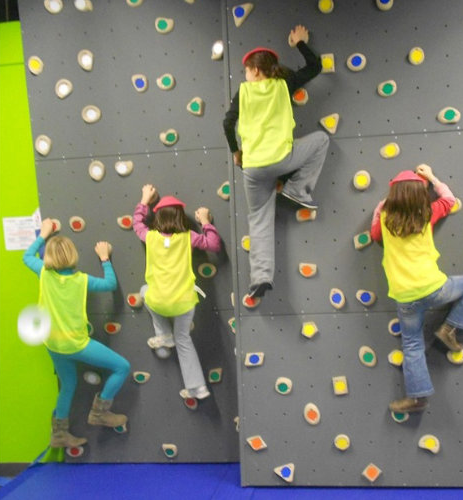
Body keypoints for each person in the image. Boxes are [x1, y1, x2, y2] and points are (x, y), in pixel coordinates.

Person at [223, 24, 329, 299]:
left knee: (258, 220)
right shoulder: (285, 84)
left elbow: (227, 122)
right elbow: (315, 67)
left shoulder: (243, 93)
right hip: (282, 159)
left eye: (246, 69)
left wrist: (236, 151)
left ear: (255, 70)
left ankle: (260, 278)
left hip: (254, 167)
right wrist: (300, 44)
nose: (245, 74)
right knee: (320, 140)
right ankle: (296, 190)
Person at [371, 164, 463, 412]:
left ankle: (418, 397)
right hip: (434, 287)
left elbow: (374, 236)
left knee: (412, 343)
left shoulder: (385, 219)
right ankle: (451, 329)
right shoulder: (426, 213)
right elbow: (449, 199)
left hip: (404, 296)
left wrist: (380, 207)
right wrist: (433, 177)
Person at [23, 218, 130, 448]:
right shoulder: (82, 281)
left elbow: (26, 257)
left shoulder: (44, 273)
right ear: (73, 255)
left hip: (52, 344)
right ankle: (100, 412)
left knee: (68, 384)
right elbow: (110, 284)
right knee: (122, 367)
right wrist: (105, 258)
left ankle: (59, 434)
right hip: (77, 345)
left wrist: (43, 234)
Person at [133, 185, 221, 401]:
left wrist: (144, 200)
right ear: (181, 216)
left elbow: (137, 224)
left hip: (159, 300)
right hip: (184, 302)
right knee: (184, 340)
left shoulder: (150, 237)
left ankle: (163, 334)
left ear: (159, 217)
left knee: (145, 291)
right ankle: (198, 388)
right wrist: (206, 222)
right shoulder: (188, 237)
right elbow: (214, 245)